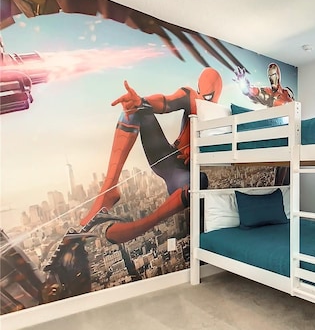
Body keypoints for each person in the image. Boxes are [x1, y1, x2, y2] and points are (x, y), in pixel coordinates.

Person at [80, 67, 223, 244]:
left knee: (199, 181)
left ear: (216, 97)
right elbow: (166, 102)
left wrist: (199, 153)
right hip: (168, 159)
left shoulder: (222, 121)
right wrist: (141, 101)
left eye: (208, 97)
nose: (202, 100)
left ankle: (137, 228)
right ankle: (109, 190)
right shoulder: (192, 98)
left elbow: (221, 159)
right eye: (201, 93)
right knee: (134, 110)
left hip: (184, 176)